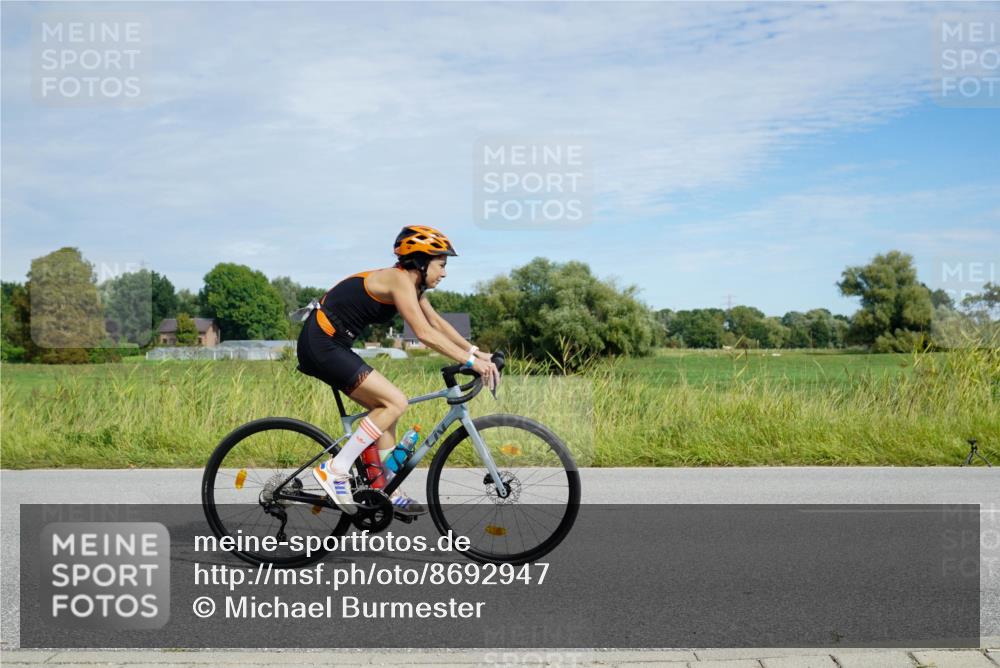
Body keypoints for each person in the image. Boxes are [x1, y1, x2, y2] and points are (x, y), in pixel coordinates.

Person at [296, 225, 500, 516]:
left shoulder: (412, 285)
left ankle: (383, 488)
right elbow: (424, 334)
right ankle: (336, 469)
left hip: (333, 343)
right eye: (441, 264)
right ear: (421, 262)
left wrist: (477, 353)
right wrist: (471, 363)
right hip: (322, 343)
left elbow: (436, 323)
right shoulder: (399, 280)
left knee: (386, 409)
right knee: (395, 402)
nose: (444, 273)